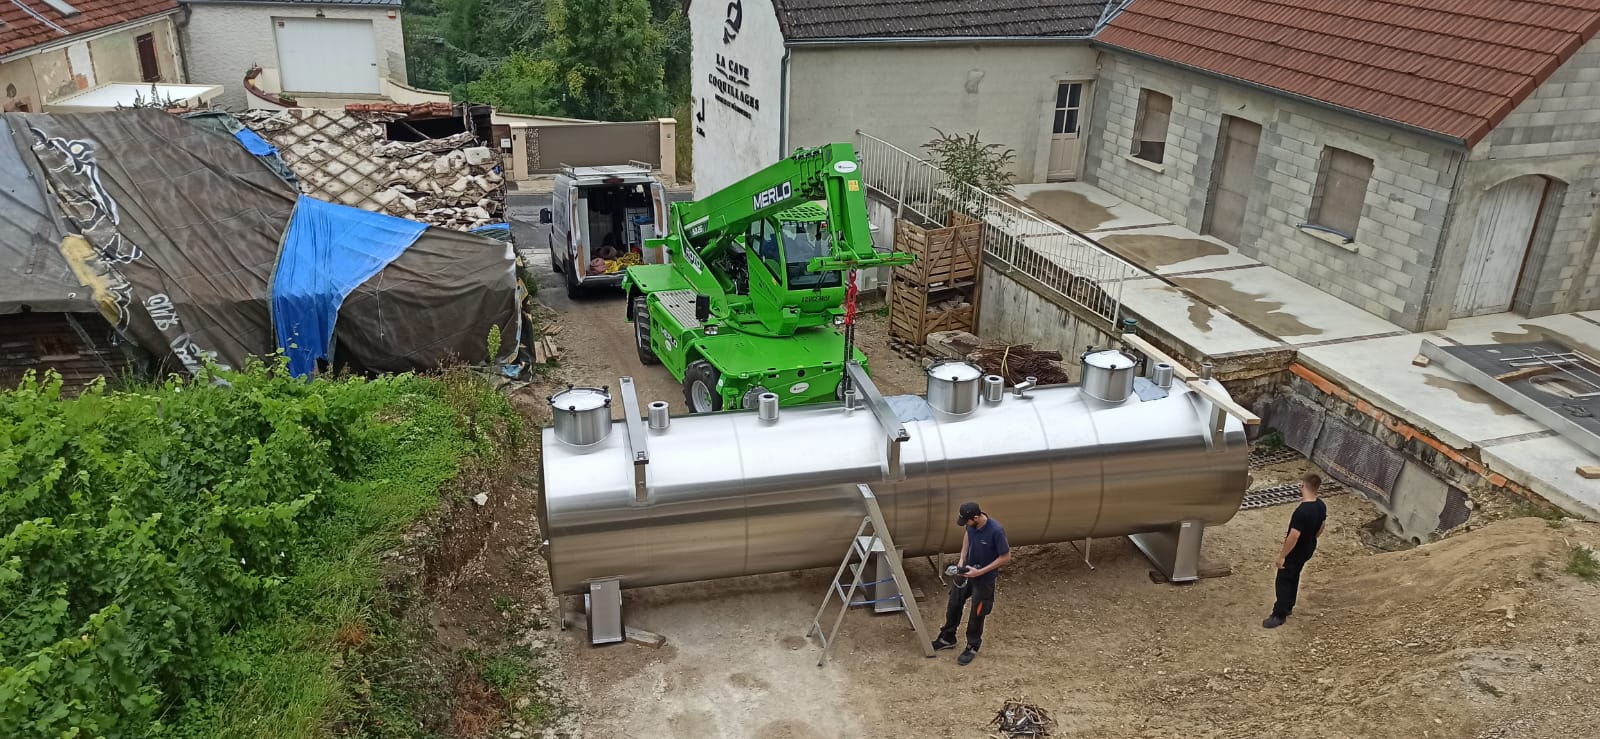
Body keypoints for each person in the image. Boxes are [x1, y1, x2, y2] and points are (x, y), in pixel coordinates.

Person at [933, 501, 1011, 665]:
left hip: (984, 580)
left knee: (977, 613)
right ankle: (948, 637)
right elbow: (968, 536)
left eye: (967, 521)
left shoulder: (996, 531)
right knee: (954, 603)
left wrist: (980, 572)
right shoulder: (971, 525)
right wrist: (962, 559)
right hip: (966, 573)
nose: (965, 525)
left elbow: (1005, 557)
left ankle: (972, 646)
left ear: (976, 517)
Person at [1264, 474, 1328, 629]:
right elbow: (1322, 525)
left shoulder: (1301, 511)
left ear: (1303, 486)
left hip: (1295, 552)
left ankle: (1279, 614)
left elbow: (1294, 536)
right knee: (1294, 575)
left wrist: (1282, 556)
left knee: (1284, 581)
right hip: (1308, 548)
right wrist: (1312, 538)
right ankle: (1288, 605)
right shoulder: (1320, 505)